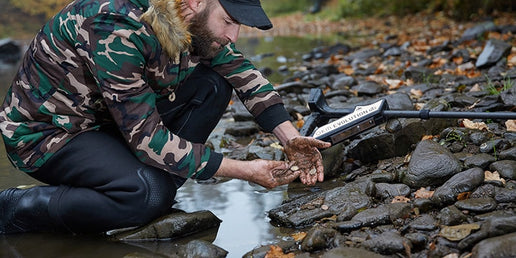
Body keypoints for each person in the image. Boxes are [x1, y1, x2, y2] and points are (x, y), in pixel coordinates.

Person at [0, 0, 330, 234]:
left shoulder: (192, 19)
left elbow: (241, 70)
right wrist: (245, 171)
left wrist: (291, 138)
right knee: (147, 194)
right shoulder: (116, 27)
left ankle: (145, 192)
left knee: (214, 84)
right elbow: (146, 138)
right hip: (48, 134)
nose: (234, 35)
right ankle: (20, 206)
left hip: (106, 121)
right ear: (194, 2)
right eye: (229, 21)